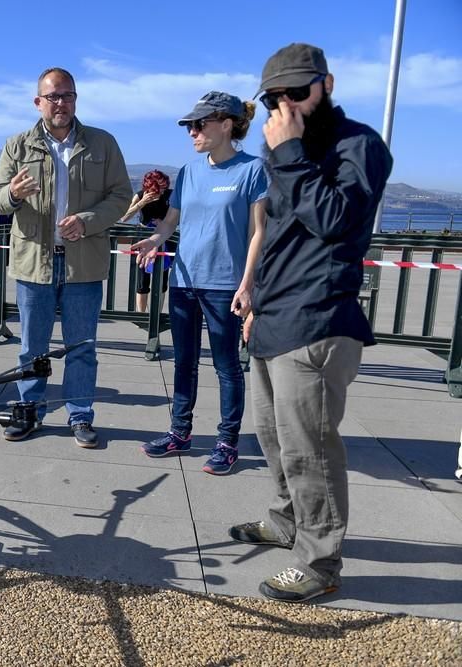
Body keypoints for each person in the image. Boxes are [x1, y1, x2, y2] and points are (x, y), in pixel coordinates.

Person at [230, 43, 393, 603]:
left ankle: (320, 561)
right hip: (275, 315)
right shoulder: (288, 149)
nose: (288, 105)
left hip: (320, 318)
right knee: (272, 437)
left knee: (311, 449)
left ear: (327, 83)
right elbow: (277, 236)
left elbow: (333, 221)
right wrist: (254, 298)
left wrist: (291, 151)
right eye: (277, 97)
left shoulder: (359, 145)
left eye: (298, 92)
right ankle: (287, 520)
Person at [0, 67, 132, 449]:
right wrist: (14, 195)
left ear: (75, 99)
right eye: (52, 97)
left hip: (83, 264)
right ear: (38, 102)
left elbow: (121, 197)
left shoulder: (102, 144)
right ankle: (29, 411)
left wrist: (87, 222)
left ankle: (80, 415)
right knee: (31, 347)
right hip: (34, 262)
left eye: (67, 95)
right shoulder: (17, 146)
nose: (60, 103)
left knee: (82, 346)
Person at [131, 92, 267, 475]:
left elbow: (260, 232)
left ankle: (227, 442)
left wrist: (247, 285)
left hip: (226, 285)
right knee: (184, 362)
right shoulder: (189, 172)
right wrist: (155, 240)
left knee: (227, 367)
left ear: (226, 125)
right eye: (190, 125)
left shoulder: (253, 171)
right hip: (185, 280)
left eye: (199, 124)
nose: (192, 131)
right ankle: (179, 432)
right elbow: (172, 222)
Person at [118, 169, 174, 312]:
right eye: (158, 189)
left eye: (163, 188)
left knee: (162, 280)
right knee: (143, 281)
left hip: (163, 239)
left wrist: (163, 222)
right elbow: (124, 217)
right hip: (144, 238)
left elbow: (178, 216)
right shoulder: (140, 195)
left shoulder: (170, 195)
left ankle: (157, 313)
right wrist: (141, 203)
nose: (161, 192)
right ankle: (142, 314)